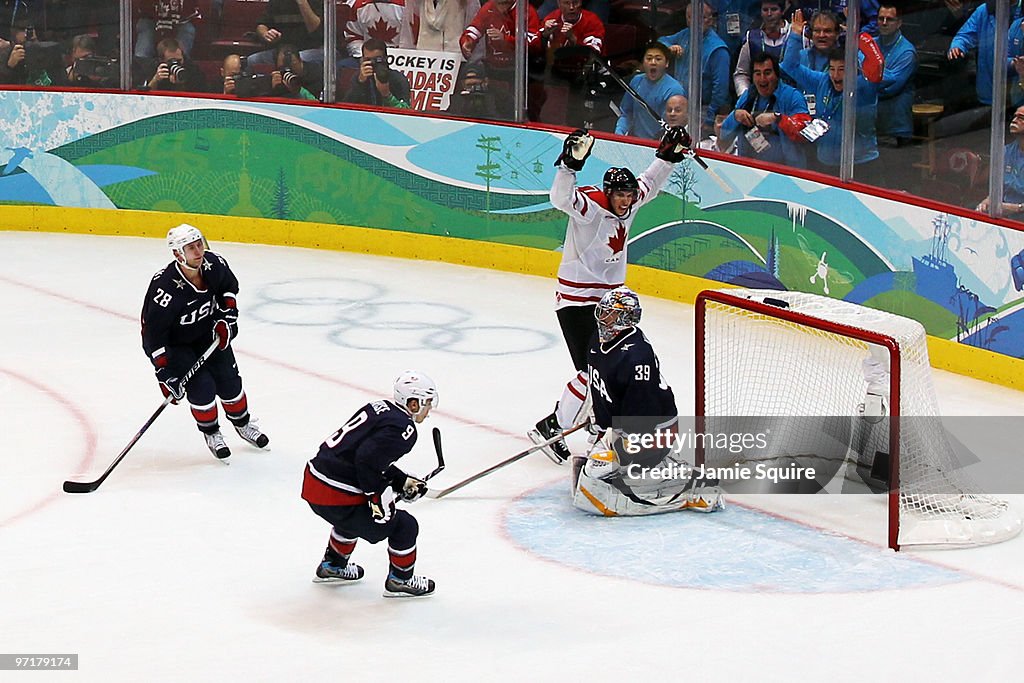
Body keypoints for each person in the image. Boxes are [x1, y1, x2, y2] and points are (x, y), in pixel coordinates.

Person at [528, 126, 692, 462]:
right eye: (619, 195)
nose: (625, 200)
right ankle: (551, 426)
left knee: (608, 368)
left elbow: (651, 179)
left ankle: (594, 422)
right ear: (608, 192)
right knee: (592, 372)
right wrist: (569, 167)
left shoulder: (631, 201)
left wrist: (669, 155)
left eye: (629, 195)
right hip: (577, 301)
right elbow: (560, 198)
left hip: (609, 303)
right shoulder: (591, 206)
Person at [570, 287, 725, 516]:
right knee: (596, 470)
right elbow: (599, 386)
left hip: (655, 429)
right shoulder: (597, 341)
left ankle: (684, 484)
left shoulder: (636, 357)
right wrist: (600, 423)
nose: (603, 318)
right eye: (603, 312)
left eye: (610, 314)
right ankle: (646, 473)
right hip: (622, 425)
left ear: (625, 318)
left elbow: (642, 415)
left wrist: (618, 441)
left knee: (598, 470)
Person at [301, 370, 438, 598]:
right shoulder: (405, 429)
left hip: (315, 482)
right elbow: (366, 461)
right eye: (426, 403)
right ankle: (400, 580)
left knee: (351, 517)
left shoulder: (380, 408)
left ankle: (333, 566)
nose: (429, 409)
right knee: (404, 525)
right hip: (335, 492)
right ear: (413, 403)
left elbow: (364, 455)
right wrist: (378, 499)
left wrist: (400, 480)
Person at [141, 224, 271, 460]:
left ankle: (243, 424)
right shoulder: (165, 289)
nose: (199, 251)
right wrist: (164, 371)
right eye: (191, 247)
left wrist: (227, 318)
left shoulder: (214, 264)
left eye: (199, 243)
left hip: (209, 335)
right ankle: (212, 433)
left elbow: (228, 290)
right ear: (178, 253)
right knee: (202, 388)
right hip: (178, 346)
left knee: (230, 382)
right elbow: (153, 335)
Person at [781, 9, 884, 177]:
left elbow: (876, 67)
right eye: (833, 69)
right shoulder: (822, 80)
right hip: (825, 162)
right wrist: (795, 35)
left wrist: (856, 33)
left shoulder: (863, 86)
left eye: (842, 70)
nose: (836, 75)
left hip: (861, 164)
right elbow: (789, 66)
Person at [719, 51, 811, 168]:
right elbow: (723, 134)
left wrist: (778, 118)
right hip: (749, 168)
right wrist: (735, 116)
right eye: (757, 73)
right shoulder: (748, 96)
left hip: (786, 172)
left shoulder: (793, 97)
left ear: (777, 75)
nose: (762, 79)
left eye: (767, 73)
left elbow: (805, 132)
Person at [659, 1, 731, 136]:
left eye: (701, 17)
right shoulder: (685, 35)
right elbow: (661, 41)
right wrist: (668, 48)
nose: (695, 22)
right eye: (690, 17)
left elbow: (720, 92)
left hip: (702, 110)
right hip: (679, 103)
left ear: (709, 20)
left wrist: (709, 120)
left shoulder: (718, 49)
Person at [947, 0, 1023, 106]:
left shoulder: (1020, 14)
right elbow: (965, 35)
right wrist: (958, 46)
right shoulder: (986, 10)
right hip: (989, 92)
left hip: (1018, 96)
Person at [614, 42, 686, 139]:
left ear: (667, 63)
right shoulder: (636, 81)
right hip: (635, 141)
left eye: (658, 59)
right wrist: (619, 133)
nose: (653, 62)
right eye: (649, 58)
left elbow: (672, 125)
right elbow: (626, 113)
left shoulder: (674, 90)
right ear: (643, 62)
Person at [734, 0, 791, 98]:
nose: (769, 14)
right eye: (765, 10)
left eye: (774, 9)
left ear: (782, 11)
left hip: (791, 101)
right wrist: (745, 97)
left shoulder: (797, 36)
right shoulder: (751, 38)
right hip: (760, 102)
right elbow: (741, 74)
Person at [976, 105, 1024, 218]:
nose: (1014, 121)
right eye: (1014, 116)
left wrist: (1015, 208)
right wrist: (988, 201)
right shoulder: (1006, 151)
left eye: (1021, 118)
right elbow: (998, 188)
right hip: (1003, 209)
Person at [249, 0, 326, 67]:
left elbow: (316, 31)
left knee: (291, 60)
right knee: (252, 60)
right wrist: (266, 34)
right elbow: (262, 24)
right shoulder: (277, 2)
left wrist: (302, 3)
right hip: (283, 49)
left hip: (314, 48)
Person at [344, 38, 412, 108]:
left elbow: (406, 110)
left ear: (386, 59)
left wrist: (387, 95)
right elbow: (346, 107)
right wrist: (360, 83)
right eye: (368, 60)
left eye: (377, 59)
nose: (373, 63)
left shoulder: (398, 79)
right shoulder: (358, 78)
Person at [400, 0, 481, 52]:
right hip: (424, 57)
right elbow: (408, 27)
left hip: (455, 57)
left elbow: (475, 26)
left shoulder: (467, 2)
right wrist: (405, 53)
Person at [446, 60, 514, 118]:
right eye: (469, 86)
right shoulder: (458, 101)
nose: (473, 89)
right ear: (462, 84)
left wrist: (490, 104)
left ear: (486, 82)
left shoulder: (501, 99)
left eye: (476, 85)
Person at [135, 0, 200, 59]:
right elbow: (144, 8)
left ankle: (179, 62)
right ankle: (142, 64)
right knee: (144, 27)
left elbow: (192, 12)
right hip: (150, 19)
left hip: (182, 21)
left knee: (188, 29)